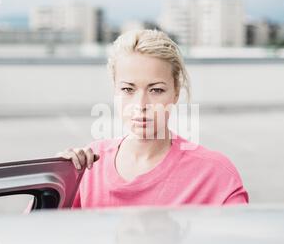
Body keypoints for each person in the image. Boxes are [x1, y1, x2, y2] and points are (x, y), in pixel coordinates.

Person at [57, 29, 249, 208]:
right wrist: (55, 181)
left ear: (175, 93)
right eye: (127, 90)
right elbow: (39, 233)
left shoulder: (216, 174)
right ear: (115, 90)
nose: (141, 105)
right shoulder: (87, 166)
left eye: (156, 90)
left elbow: (238, 242)